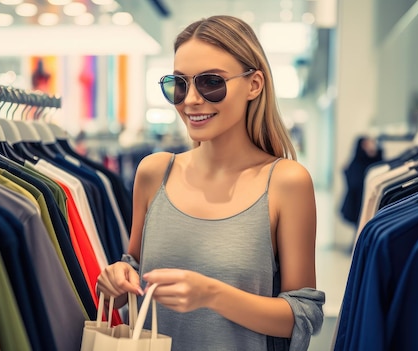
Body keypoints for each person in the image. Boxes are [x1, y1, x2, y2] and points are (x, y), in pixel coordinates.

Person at [96, 15, 325, 351]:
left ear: (254, 84)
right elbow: (133, 269)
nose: (190, 99)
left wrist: (212, 295)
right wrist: (115, 279)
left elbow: (304, 314)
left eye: (211, 82)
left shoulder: (285, 182)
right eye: (179, 84)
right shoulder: (154, 173)